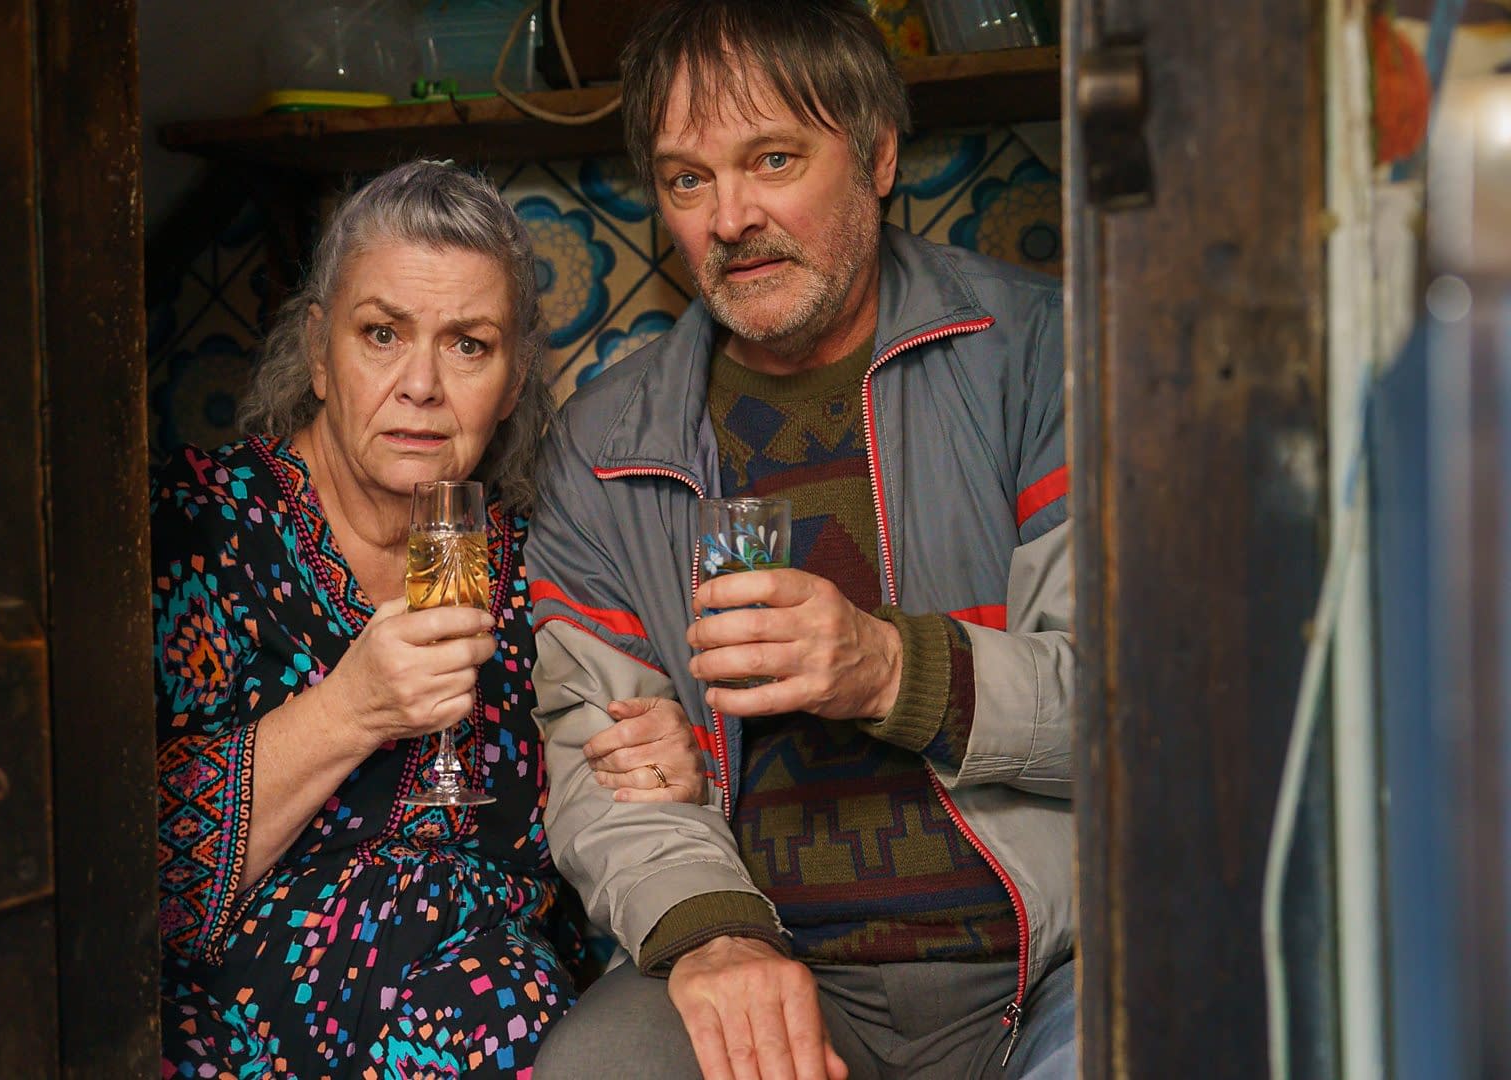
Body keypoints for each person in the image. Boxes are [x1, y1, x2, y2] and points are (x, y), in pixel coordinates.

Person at [524, 2, 1077, 1077]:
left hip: (1055, 963)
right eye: (688, 180)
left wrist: (886, 668)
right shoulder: (604, 443)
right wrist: (715, 934)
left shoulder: (1038, 355)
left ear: (878, 156)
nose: (730, 218)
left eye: (772, 159)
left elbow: (1148, 709)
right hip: (772, 960)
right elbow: (597, 768)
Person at [152, 161, 706, 1078]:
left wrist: (671, 769)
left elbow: (609, 819)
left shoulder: (546, 561)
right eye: (382, 334)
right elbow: (130, 885)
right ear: (319, 352)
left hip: (494, 1023)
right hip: (244, 1032)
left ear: (514, 378)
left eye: (468, 345)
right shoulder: (197, 524)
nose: (421, 384)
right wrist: (350, 710)